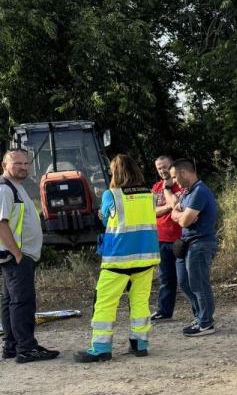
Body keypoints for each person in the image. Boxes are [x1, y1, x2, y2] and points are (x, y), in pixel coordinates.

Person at [74, 154, 159, 363]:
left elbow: (104, 219)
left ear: (116, 172)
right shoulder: (150, 194)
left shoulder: (111, 195)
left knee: (104, 303)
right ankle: (140, 344)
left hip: (118, 259)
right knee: (140, 301)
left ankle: (101, 348)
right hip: (146, 258)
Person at [0, 149, 59, 364]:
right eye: (17, 163)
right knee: (21, 302)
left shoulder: (16, 187)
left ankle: (13, 346)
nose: (23, 167)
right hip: (17, 257)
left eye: (26, 163)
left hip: (19, 256)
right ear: (5, 165)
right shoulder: (5, 190)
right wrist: (17, 253)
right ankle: (26, 348)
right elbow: (1, 223)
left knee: (10, 301)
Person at [170, 159, 218, 337]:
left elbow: (183, 220)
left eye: (175, 177)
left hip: (200, 244)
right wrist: (182, 214)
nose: (174, 182)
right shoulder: (186, 193)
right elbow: (175, 213)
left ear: (184, 173)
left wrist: (182, 215)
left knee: (199, 284)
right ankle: (200, 316)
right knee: (183, 282)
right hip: (186, 244)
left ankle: (206, 322)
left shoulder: (200, 192)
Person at [149, 155, 186, 321]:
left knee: (187, 278)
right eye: (159, 168)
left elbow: (180, 205)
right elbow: (151, 211)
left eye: (165, 167)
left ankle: (199, 312)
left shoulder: (182, 184)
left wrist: (169, 206)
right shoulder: (156, 187)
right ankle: (164, 311)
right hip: (161, 238)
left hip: (181, 238)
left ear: (172, 167)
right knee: (166, 278)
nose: (162, 171)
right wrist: (169, 206)